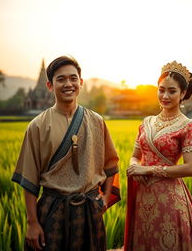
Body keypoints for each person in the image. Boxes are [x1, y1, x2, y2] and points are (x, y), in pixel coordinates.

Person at [11, 56, 120, 251]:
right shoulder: (37, 126)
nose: (68, 84)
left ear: (81, 82)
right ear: (50, 85)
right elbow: (29, 180)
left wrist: (105, 198)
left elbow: (111, 165)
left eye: (73, 78)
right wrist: (32, 223)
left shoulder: (96, 121)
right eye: (61, 79)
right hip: (53, 211)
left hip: (89, 211)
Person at [125, 61, 192, 251]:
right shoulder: (146, 122)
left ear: (183, 94)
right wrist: (134, 166)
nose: (165, 96)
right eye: (161, 90)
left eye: (172, 91)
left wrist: (148, 169)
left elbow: (191, 168)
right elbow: (135, 156)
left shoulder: (188, 125)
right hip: (143, 196)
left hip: (169, 199)